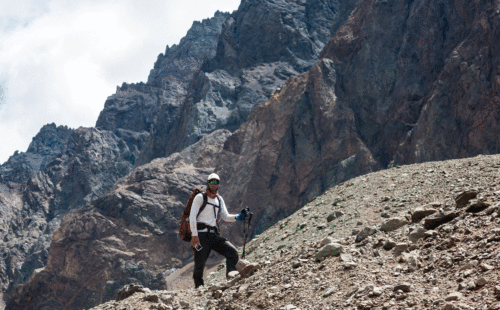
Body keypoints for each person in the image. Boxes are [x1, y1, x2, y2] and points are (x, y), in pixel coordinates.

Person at [189, 173, 249, 289]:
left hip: (214, 234)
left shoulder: (219, 199)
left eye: (215, 182)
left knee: (232, 252)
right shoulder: (200, 197)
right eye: (211, 182)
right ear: (208, 183)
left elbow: (225, 217)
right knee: (199, 264)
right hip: (201, 234)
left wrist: (239, 216)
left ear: (218, 184)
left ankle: (231, 280)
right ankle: (199, 289)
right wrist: (194, 235)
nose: (213, 184)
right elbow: (192, 217)